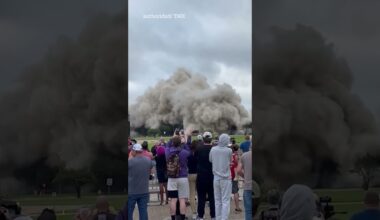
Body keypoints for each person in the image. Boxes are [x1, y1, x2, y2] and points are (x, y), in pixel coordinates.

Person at [165, 133, 191, 220]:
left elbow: (167, 146)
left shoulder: (168, 152)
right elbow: (189, 152)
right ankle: (182, 217)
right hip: (182, 177)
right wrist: (184, 143)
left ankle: (173, 218)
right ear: (180, 143)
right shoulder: (184, 152)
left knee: (173, 200)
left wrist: (172, 138)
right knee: (182, 199)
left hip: (172, 178)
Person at [209, 133, 233, 220]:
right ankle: (224, 218)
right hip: (225, 178)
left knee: (217, 200)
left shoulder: (213, 149)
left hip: (216, 177)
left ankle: (218, 218)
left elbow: (210, 160)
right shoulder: (229, 150)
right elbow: (231, 161)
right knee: (225, 200)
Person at [128, 143, 153, 220]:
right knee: (143, 212)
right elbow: (151, 170)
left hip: (132, 191)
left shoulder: (130, 162)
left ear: (135, 151)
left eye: (132, 150)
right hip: (144, 190)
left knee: (129, 212)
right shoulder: (148, 161)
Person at [196, 131, 216, 220]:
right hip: (212, 175)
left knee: (201, 197)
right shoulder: (214, 149)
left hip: (201, 175)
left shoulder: (198, 149)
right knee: (212, 197)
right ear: (210, 139)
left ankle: (200, 215)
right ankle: (213, 215)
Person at [237, 148, 252, 220]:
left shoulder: (244, 155)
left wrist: (245, 176)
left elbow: (239, 170)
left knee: (248, 211)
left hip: (248, 185)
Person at [188, 139, 199, 219]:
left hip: (190, 174)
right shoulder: (199, 155)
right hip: (199, 174)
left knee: (192, 195)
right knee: (200, 194)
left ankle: (194, 212)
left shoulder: (188, 155)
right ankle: (200, 211)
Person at [230, 143, 242, 213]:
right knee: (235, 192)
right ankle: (237, 207)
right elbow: (237, 166)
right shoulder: (236, 156)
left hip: (229, 174)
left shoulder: (230, 155)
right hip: (234, 175)